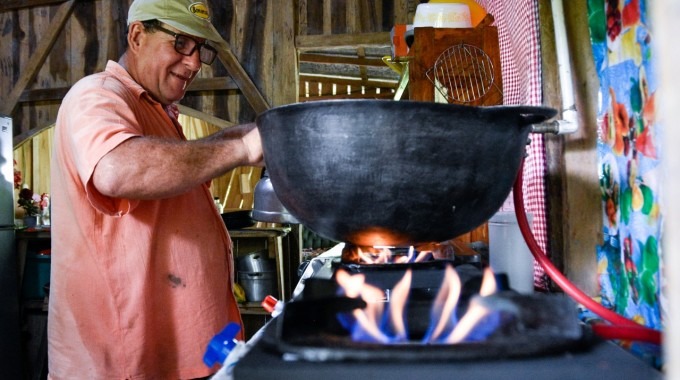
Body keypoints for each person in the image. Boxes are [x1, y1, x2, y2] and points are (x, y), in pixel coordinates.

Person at [47, 0, 262, 378]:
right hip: (125, 362)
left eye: (201, 49)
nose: (194, 63)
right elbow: (115, 169)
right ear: (136, 36)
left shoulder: (157, 113)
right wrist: (240, 147)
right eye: (180, 43)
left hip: (178, 356)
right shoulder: (96, 96)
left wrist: (235, 136)